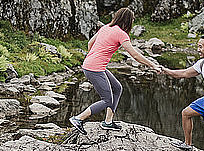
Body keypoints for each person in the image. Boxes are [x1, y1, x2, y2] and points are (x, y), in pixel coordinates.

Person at [69, 7, 161, 135]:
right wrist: (153, 65)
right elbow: (135, 55)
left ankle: (108, 122)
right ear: (128, 20)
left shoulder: (106, 27)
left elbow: (90, 43)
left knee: (117, 88)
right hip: (94, 68)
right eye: (132, 20)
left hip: (92, 65)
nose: (132, 22)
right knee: (107, 100)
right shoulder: (121, 34)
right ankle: (78, 119)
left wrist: (94, 57)